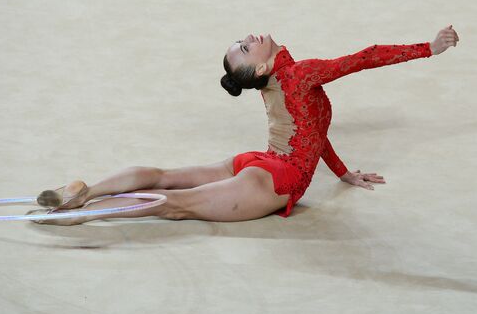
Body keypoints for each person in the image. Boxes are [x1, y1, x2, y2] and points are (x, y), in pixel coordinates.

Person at [28, 25, 459, 226]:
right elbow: (363, 58)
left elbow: (313, 133)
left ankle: (89, 191)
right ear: (261, 67)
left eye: (241, 42)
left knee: (168, 177)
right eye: (243, 48)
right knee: (179, 203)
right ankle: (75, 214)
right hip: (277, 177)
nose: (247, 38)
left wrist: (343, 172)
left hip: (260, 161)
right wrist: (428, 49)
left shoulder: (279, 83)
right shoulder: (301, 74)